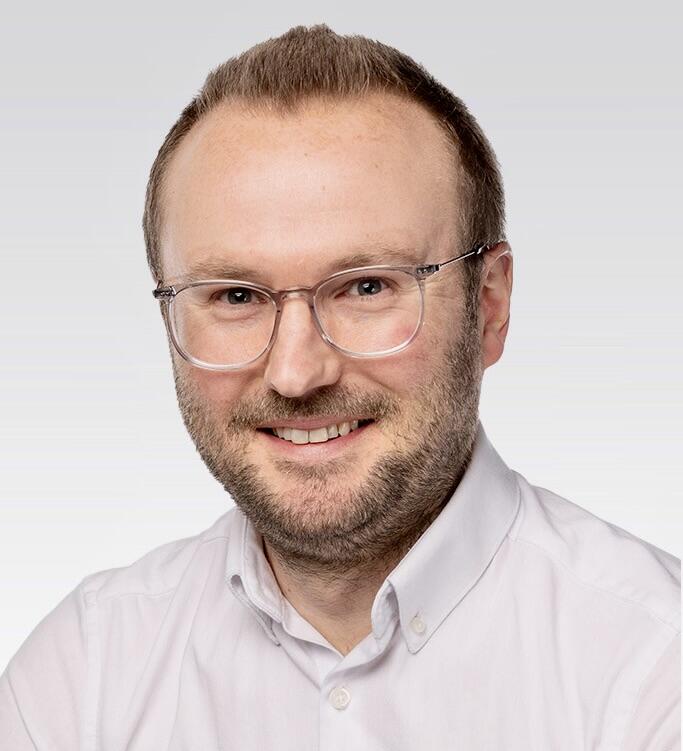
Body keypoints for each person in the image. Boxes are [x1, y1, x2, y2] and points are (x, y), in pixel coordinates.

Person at [1, 23, 679, 750]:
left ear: (489, 306)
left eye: (365, 286)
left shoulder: (652, 668)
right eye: (235, 296)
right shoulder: (81, 678)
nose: (295, 373)